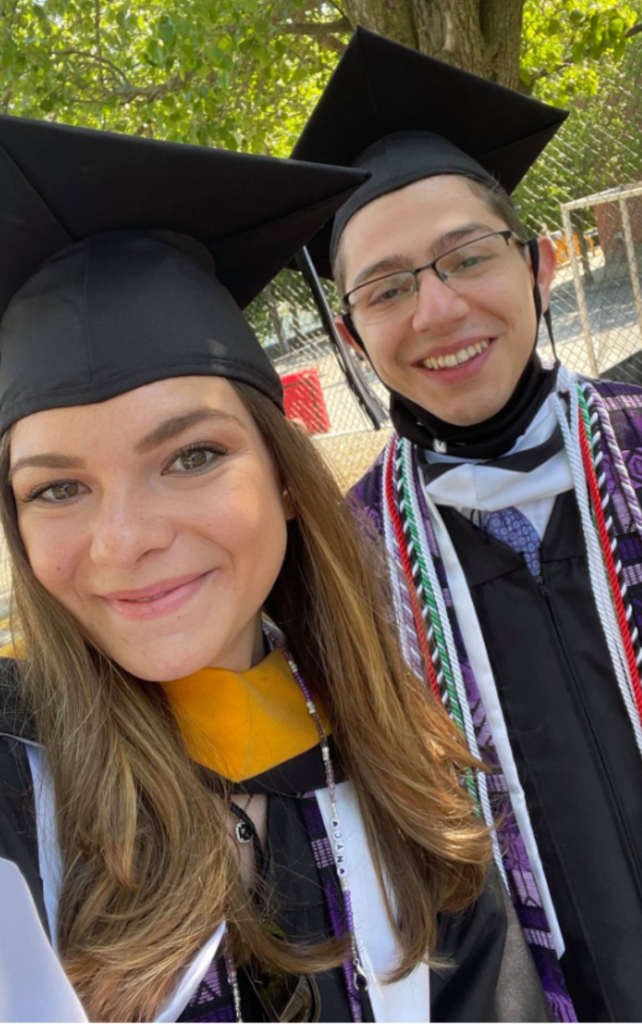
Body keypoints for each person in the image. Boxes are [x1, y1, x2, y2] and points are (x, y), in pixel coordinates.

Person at [0, 115, 547, 1023]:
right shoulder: (21, 785)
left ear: (287, 481)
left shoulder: (405, 769)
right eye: (58, 490)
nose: (123, 540)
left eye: (190, 457)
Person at [292, 27, 642, 1024]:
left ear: (534, 264)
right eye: (389, 287)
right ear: (353, 335)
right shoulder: (344, 573)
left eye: (466, 256)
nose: (438, 308)